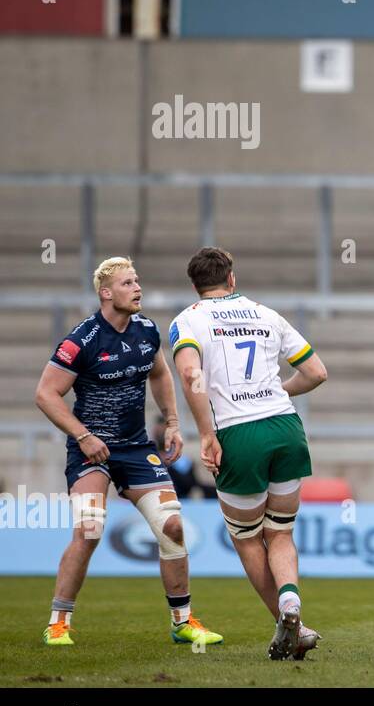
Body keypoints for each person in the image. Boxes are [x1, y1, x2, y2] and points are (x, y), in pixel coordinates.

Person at [35, 257, 222, 649]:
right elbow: (46, 394)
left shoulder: (146, 331)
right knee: (89, 527)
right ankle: (58, 622)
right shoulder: (81, 340)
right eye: (127, 283)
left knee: (172, 526)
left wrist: (172, 422)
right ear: (106, 293)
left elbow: (159, 373)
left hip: (136, 447)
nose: (137, 288)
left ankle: (183, 622)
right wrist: (84, 436)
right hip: (91, 450)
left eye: (137, 281)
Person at [171, 247, 327, 661]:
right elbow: (316, 373)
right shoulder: (266, 314)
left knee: (246, 539)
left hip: (238, 435)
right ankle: (292, 604)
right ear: (232, 279)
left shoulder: (188, 320)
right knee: (280, 533)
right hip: (285, 427)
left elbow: (190, 374)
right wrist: (275, 393)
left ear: (195, 286)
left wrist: (206, 434)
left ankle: (284, 619)